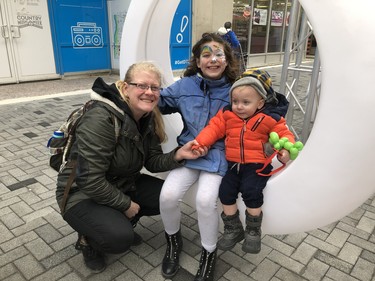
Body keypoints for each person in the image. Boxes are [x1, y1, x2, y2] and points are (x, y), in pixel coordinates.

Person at [55, 61, 205, 273]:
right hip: (80, 193)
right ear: (126, 88)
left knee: (167, 196)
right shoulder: (100, 118)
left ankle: (117, 220)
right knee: (119, 239)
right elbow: (88, 178)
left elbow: (152, 162)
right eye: (142, 86)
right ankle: (88, 241)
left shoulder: (146, 118)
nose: (149, 92)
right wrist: (126, 205)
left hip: (122, 183)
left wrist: (179, 155)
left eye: (155, 88)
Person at [158, 33, 239, 281]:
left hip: (219, 157)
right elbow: (156, 101)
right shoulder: (185, 86)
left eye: (218, 55)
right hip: (190, 151)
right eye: (206, 55)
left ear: (227, 61)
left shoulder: (237, 88)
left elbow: (260, 109)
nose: (212, 60)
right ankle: (173, 242)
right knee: (168, 196)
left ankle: (209, 252)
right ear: (197, 60)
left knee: (205, 201)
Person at [193, 69, 295, 254]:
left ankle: (253, 230)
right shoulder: (227, 115)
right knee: (225, 192)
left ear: (260, 103)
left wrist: (286, 150)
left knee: (252, 192)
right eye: (235, 101)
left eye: (246, 102)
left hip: (257, 164)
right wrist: (201, 142)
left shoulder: (270, 118)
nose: (239, 106)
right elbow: (213, 129)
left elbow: (285, 134)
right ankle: (233, 228)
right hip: (233, 164)